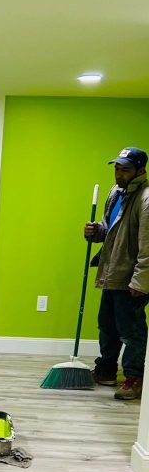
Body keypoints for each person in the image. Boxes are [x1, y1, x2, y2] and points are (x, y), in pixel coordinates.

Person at [85, 146, 149, 400]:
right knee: (107, 325)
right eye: (117, 168)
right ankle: (107, 370)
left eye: (126, 169)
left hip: (131, 277)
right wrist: (96, 231)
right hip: (112, 272)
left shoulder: (145, 199)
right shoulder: (116, 192)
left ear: (140, 170)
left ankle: (134, 378)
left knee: (131, 330)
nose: (119, 174)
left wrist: (141, 281)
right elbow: (110, 229)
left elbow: (147, 245)